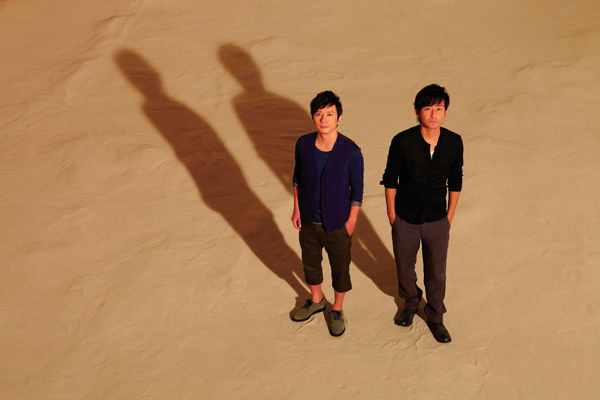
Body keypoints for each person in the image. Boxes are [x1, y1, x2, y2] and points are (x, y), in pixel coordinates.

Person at [381, 84, 463, 343]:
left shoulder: (453, 142)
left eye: (439, 108)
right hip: (405, 218)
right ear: (417, 112)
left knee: (437, 273)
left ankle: (436, 317)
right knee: (404, 269)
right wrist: (392, 215)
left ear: (446, 112)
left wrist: (449, 217)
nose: (433, 114)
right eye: (428, 108)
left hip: (438, 220)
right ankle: (410, 303)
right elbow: (390, 179)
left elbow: (456, 181)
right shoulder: (402, 141)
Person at [291, 90, 364, 337]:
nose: (324, 119)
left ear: (339, 118)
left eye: (330, 114)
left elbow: (357, 189)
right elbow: (297, 178)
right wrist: (297, 208)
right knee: (310, 264)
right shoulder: (303, 144)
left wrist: (351, 221)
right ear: (313, 117)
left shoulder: (351, 151)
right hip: (308, 220)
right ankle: (316, 299)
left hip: (337, 223)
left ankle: (337, 308)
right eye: (319, 114)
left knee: (340, 268)